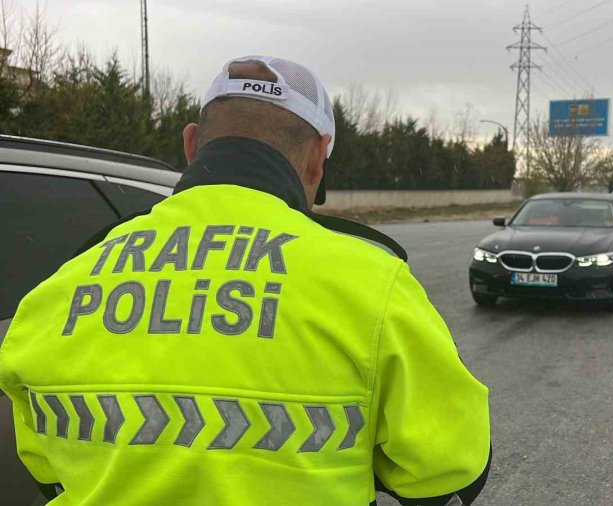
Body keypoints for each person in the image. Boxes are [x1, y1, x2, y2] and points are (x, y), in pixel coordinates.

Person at [0, 55, 491, 505]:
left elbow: (45, 467)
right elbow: (449, 472)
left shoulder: (60, 287)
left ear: (192, 144)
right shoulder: (374, 282)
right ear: (319, 157)